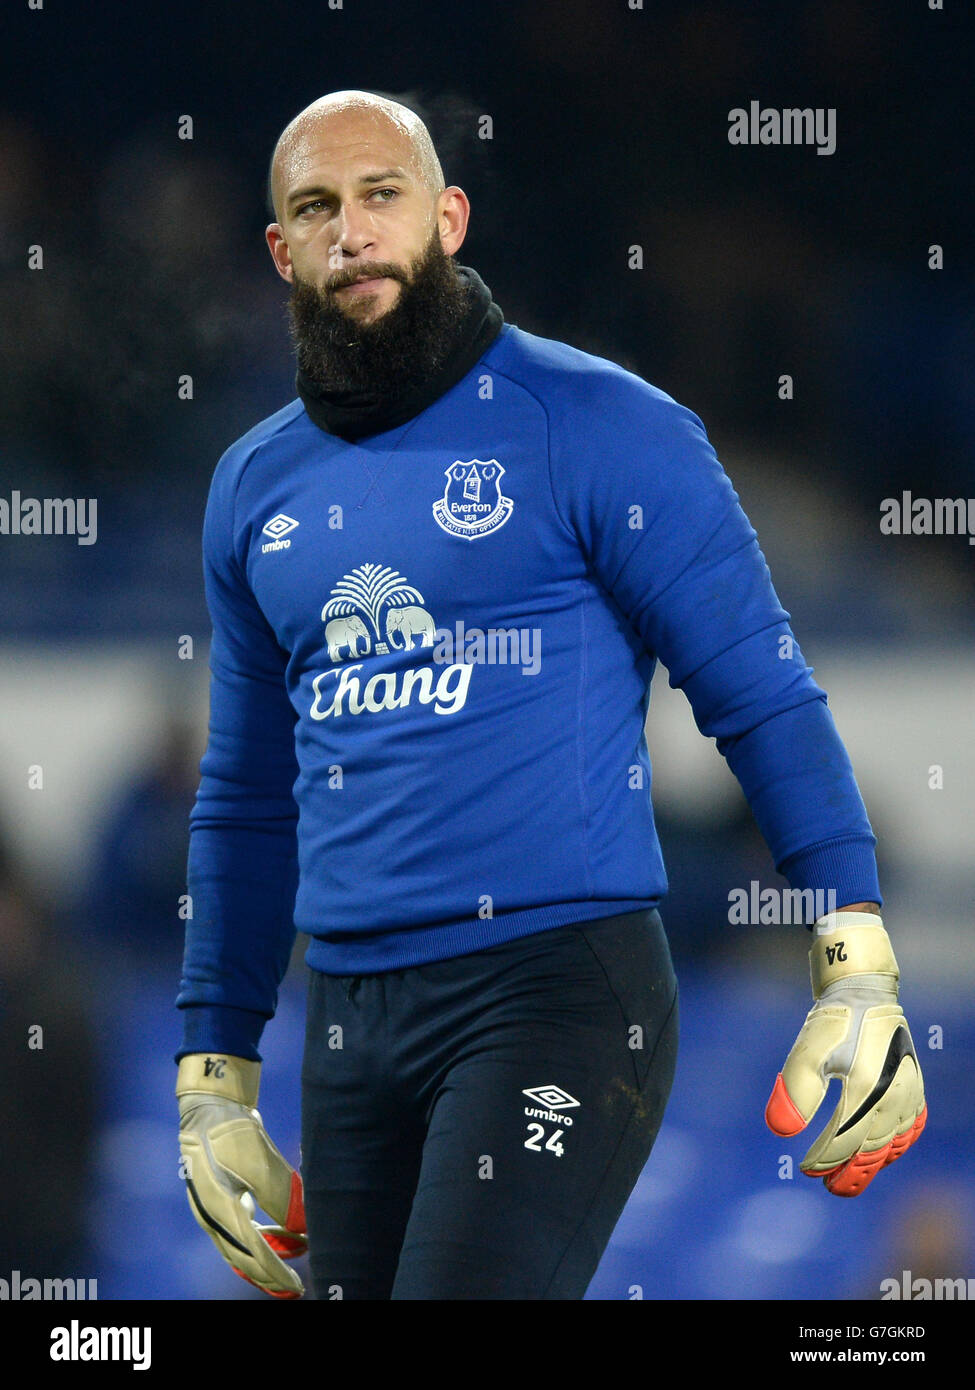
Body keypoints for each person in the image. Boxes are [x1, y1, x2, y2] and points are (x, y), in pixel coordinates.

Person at [174, 89, 926, 1301]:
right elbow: (248, 796)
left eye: (382, 197)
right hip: (349, 1020)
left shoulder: (607, 425)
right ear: (280, 249)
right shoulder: (250, 486)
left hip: (556, 994)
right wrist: (214, 1066)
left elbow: (763, 695)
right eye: (316, 207)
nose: (351, 232)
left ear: (449, 218)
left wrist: (857, 957)